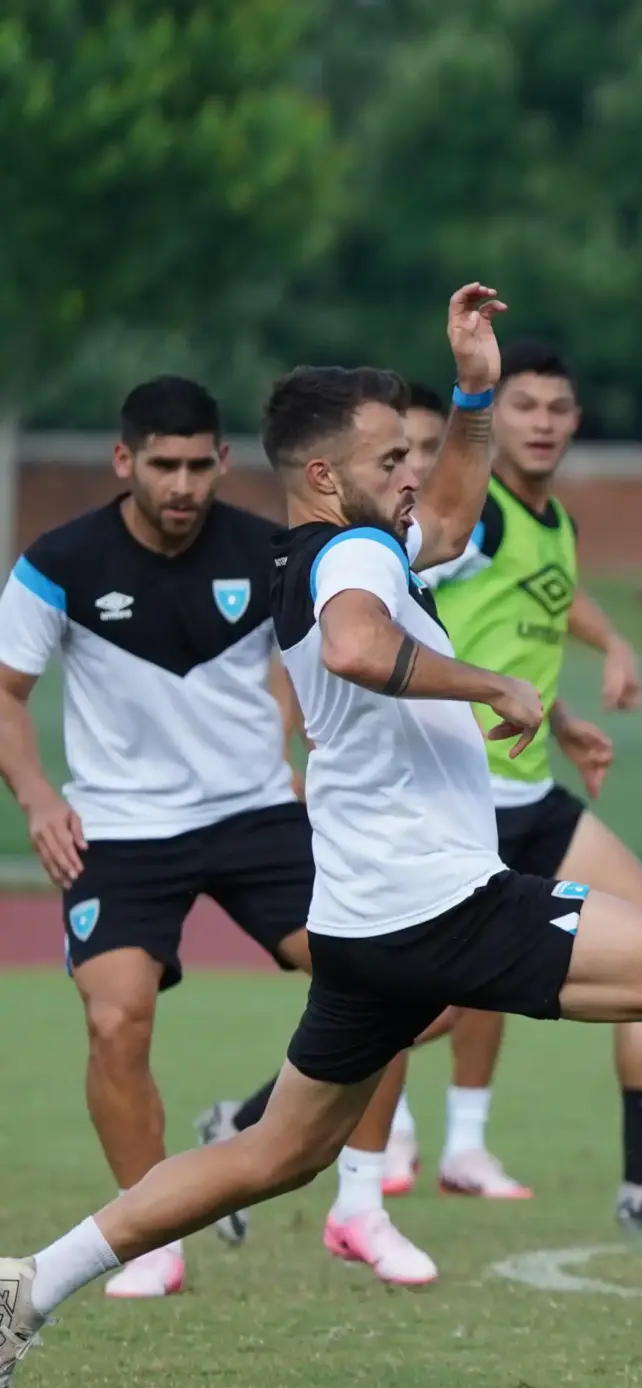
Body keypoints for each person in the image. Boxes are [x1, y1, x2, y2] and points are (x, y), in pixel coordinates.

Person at [0, 284, 642, 1388]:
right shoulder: (346, 565)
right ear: (318, 476)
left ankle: (29, 1285)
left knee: (273, 1156)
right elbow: (355, 648)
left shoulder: (350, 548)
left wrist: (475, 390)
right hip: (434, 904)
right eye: (387, 455)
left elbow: (447, 519)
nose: (411, 468)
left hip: (371, 920)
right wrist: (484, 678)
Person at [0, 377, 430, 1293]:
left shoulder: (273, 549)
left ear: (225, 461)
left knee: (393, 977)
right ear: (126, 462)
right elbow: (6, 690)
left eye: (200, 464)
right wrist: (38, 796)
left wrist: (292, 735)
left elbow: (310, 650)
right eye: (164, 465)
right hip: (120, 827)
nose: (184, 483)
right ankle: (150, 1239)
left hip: (256, 814)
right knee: (116, 1017)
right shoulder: (59, 560)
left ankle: (357, 1203)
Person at [414, 340, 642, 1232]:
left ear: (575, 422)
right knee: (418, 1008)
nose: (539, 423)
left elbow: (548, 603)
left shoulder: (550, 522)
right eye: (522, 406)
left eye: (556, 409)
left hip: (532, 794)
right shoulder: (471, 514)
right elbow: (390, 600)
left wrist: (598, 668)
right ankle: (256, 1122)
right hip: (461, 799)